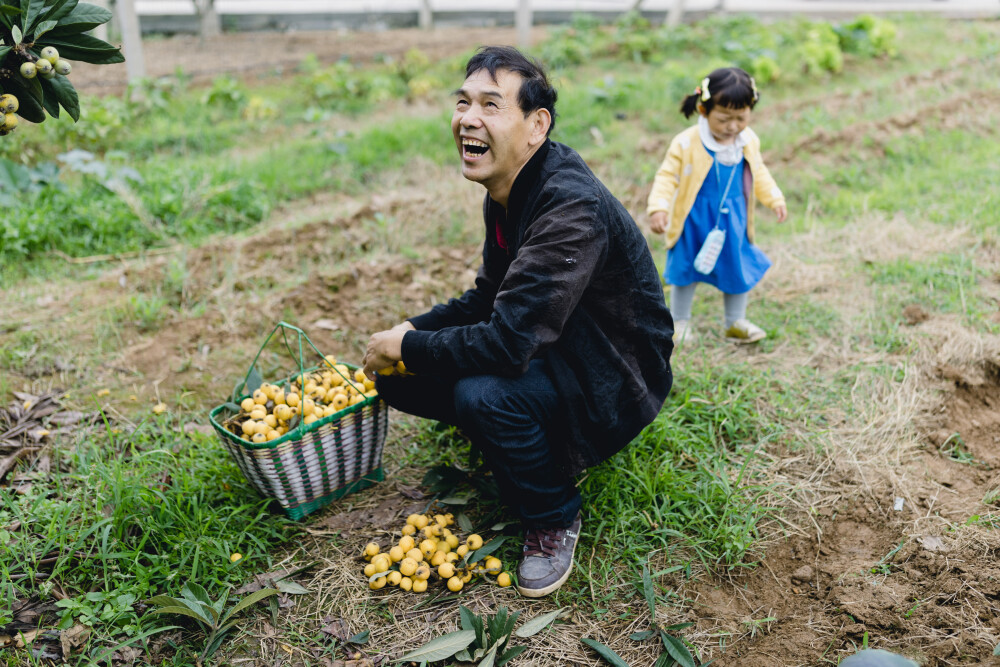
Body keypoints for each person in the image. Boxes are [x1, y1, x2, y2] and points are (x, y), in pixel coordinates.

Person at [362, 46, 674, 598]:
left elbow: (506, 343)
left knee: (483, 394)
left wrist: (411, 346)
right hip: (554, 342)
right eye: (462, 102)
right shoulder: (506, 192)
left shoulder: (568, 208)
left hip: (613, 373)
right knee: (397, 377)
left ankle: (554, 514)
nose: (468, 118)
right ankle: (524, 443)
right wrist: (408, 331)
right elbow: (489, 297)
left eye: (490, 104)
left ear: (536, 125)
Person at [646, 67, 787, 345]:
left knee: (736, 266)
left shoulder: (748, 142)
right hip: (694, 218)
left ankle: (735, 321)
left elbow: (759, 173)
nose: (732, 126)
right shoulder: (686, 143)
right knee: (686, 269)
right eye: (724, 119)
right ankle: (680, 320)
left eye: (741, 118)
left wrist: (775, 198)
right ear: (703, 110)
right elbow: (667, 176)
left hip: (733, 219)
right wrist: (659, 207)